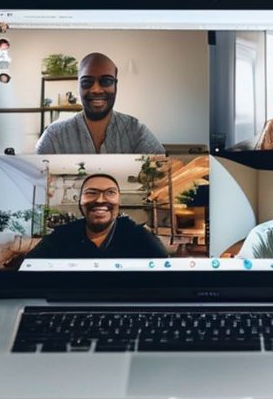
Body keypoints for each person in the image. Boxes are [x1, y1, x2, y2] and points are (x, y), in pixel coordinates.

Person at [35, 52, 164, 154]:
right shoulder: (54, 136)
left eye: (106, 81)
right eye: (87, 82)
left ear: (115, 85)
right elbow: (35, 179)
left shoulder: (136, 132)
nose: (96, 90)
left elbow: (161, 173)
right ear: (78, 86)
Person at [25, 173, 169, 259]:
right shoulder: (61, 236)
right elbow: (30, 271)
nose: (100, 200)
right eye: (91, 193)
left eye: (110, 193)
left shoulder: (141, 238)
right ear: (79, 200)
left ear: (119, 200)